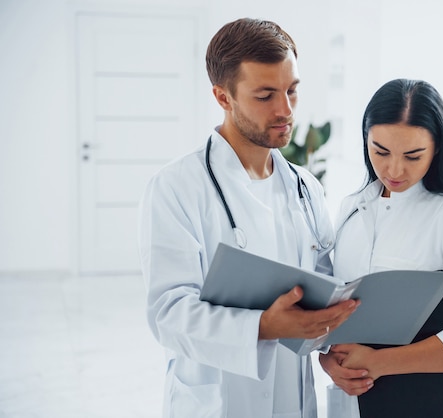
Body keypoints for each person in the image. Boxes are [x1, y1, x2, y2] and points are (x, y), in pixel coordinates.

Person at [138, 18, 359, 418]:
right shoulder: (176, 188)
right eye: (265, 95)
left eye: (292, 90)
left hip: (293, 397)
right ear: (223, 97)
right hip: (219, 399)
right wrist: (263, 327)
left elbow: (327, 289)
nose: (285, 110)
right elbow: (168, 314)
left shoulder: (306, 188)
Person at [319, 78, 443, 417]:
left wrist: (378, 363)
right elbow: (335, 311)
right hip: (350, 403)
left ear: (437, 148)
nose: (394, 169)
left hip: (423, 404)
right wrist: (328, 360)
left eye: (412, 155)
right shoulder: (351, 208)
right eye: (380, 151)